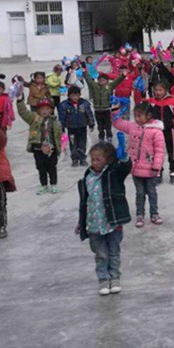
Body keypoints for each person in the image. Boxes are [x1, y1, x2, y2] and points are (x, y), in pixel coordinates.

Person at [75, 141, 132, 296]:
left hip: (112, 223)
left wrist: (124, 158)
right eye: (92, 159)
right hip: (94, 225)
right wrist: (81, 221)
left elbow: (125, 169)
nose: (94, 163)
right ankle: (103, 280)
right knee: (100, 255)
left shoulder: (113, 174)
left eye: (98, 159)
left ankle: (115, 278)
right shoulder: (88, 176)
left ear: (108, 160)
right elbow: (84, 202)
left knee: (113, 252)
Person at [113, 102, 165, 227]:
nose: (136, 118)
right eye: (135, 115)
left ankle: (154, 213)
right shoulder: (133, 127)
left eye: (139, 116)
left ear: (149, 115)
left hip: (151, 169)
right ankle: (140, 214)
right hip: (136, 169)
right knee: (140, 193)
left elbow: (159, 150)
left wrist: (156, 166)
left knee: (152, 192)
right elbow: (118, 124)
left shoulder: (156, 131)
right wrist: (115, 111)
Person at [17, 96, 62, 195]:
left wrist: (58, 147)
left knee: (52, 167)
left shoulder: (55, 122)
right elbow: (23, 112)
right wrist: (20, 101)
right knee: (41, 167)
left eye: (47, 109)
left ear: (51, 110)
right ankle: (43, 184)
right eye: (42, 109)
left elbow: (58, 136)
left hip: (51, 149)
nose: (45, 111)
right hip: (38, 148)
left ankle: (53, 183)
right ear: (38, 110)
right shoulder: (34, 119)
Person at [146, 81, 174, 184]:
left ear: (165, 90)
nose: (158, 92)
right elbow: (146, 115)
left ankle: (173, 171)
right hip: (156, 131)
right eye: (156, 90)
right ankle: (158, 171)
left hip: (169, 130)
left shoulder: (172, 101)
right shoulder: (151, 102)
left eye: (160, 90)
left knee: (171, 152)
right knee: (157, 152)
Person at [58, 85, 95, 167]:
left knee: (82, 143)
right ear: (69, 96)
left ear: (79, 95)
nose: (75, 97)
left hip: (82, 127)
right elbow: (62, 117)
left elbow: (89, 114)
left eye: (76, 95)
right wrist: (62, 127)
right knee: (73, 143)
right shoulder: (64, 105)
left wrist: (91, 123)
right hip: (71, 128)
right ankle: (74, 158)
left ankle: (82, 158)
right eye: (72, 96)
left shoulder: (84, 104)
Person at [84, 71, 118, 141]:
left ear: (107, 81)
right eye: (100, 80)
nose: (101, 82)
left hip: (106, 110)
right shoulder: (95, 86)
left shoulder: (110, 86)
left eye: (103, 80)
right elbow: (89, 80)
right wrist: (85, 72)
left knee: (108, 125)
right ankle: (101, 136)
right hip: (98, 110)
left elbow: (117, 81)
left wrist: (123, 75)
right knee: (100, 126)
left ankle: (109, 136)